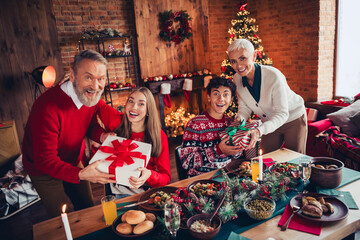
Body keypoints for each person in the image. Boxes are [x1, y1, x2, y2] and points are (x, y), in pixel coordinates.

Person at [22, 50, 116, 218]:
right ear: (72, 75)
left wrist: (102, 136)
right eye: (88, 77)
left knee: (87, 207)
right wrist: (79, 174)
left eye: (101, 78)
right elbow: (45, 159)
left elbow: (90, 125)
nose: (96, 86)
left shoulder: (90, 97)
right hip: (43, 169)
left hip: (72, 159)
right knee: (60, 218)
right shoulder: (47, 108)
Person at [228, 38, 307, 154]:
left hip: (293, 119)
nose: (238, 66)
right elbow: (244, 107)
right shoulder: (237, 78)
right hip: (270, 122)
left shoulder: (274, 76)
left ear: (254, 56)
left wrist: (259, 131)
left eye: (243, 58)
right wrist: (240, 120)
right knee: (265, 160)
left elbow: (282, 113)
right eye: (233, 61)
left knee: (295, 161)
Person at [96, 87, 171, 199]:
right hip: (116, 192)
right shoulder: (116, 121)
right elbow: (95, 100)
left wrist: (149, 175)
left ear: (148, 110)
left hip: (146, 194)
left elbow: (166, 178)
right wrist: (101, 136)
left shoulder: (158, 136)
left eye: (141, 104)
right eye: (131, 101)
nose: (133, 107)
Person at [180, 77, 242, 177]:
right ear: (209, 97)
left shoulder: (231, 123)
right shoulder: (195, 124)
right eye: (216, 94)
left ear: (231, 100)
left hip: (227, 177)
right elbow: (186, 162)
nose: (221, 99)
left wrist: (239, 146)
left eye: (225, 94)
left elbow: (236, 156)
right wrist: (218, 150)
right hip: (201, 180)